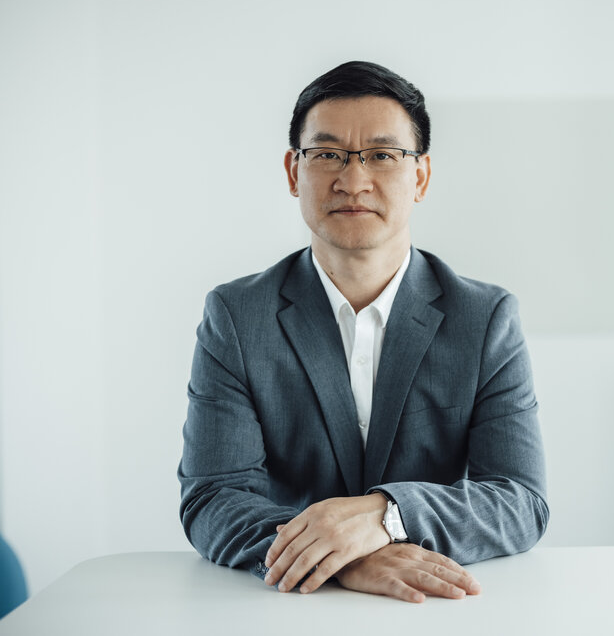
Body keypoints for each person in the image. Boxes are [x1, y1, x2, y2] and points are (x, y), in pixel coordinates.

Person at [178, 61, 548, 603]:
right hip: (279, 613)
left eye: (382, 155)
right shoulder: (237, 315)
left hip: (436, 612)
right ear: (292, 172)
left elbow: (520, 500)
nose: (353, 180)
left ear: (419, 175)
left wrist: (384, 515)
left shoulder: (486, 317)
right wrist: (340, 561)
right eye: (326, 154)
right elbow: (213, 496)